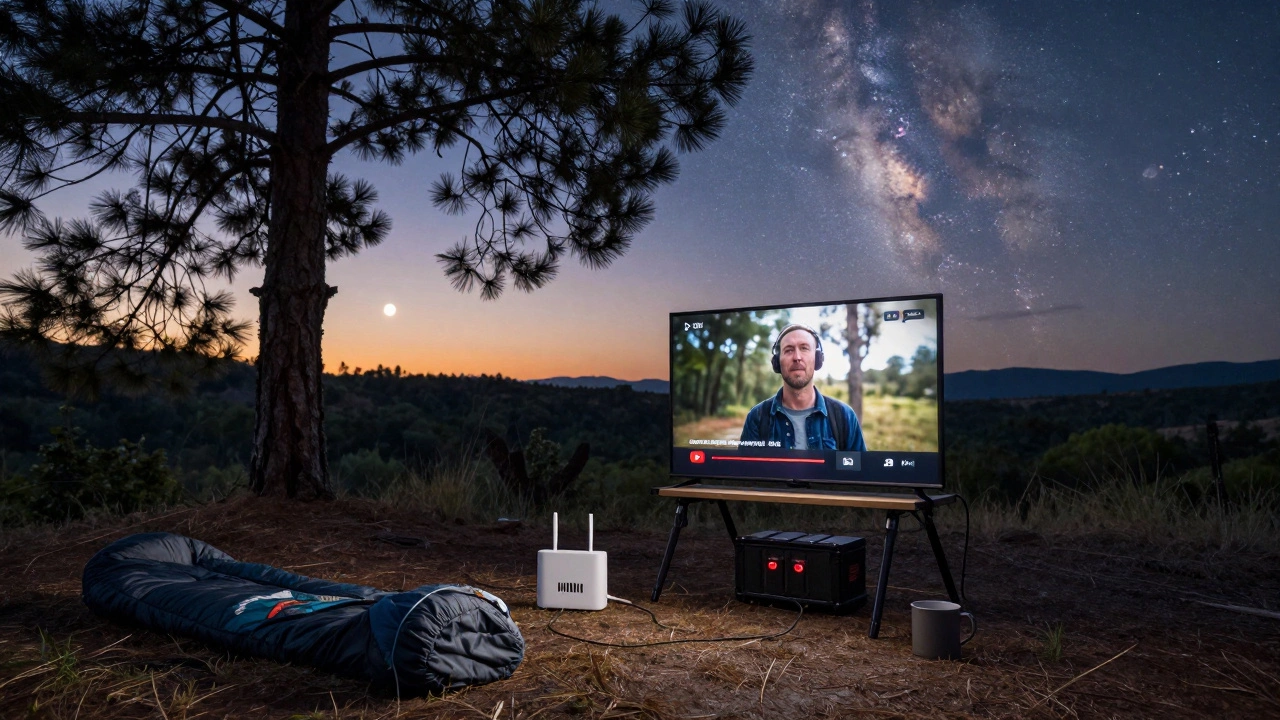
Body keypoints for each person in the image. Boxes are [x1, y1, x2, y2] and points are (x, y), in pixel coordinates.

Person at [739, 323, 867, 451]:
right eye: (788, 350)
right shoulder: (757, 417)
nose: (797, 357)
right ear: (777, 362)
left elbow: (860, 469)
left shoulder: (844, 416)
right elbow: (746, 470)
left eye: (804, 348)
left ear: (817, 359)